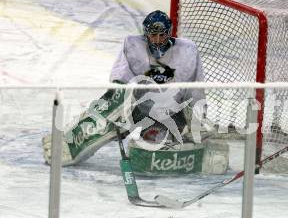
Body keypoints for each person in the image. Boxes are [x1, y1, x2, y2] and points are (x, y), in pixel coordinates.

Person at [43, 10, 206, 165]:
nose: (157, 40)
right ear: (146, 34)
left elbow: (196, 88)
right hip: (137, 107)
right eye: (153, 35)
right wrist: (118, 109)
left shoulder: (188, 50)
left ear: (169, 32)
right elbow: (120, 79)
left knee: (156, 148)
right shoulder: (133, 45)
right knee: (114, 108)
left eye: (162, 35)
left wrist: (196, 119)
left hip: (169, 113)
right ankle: (71, 143)